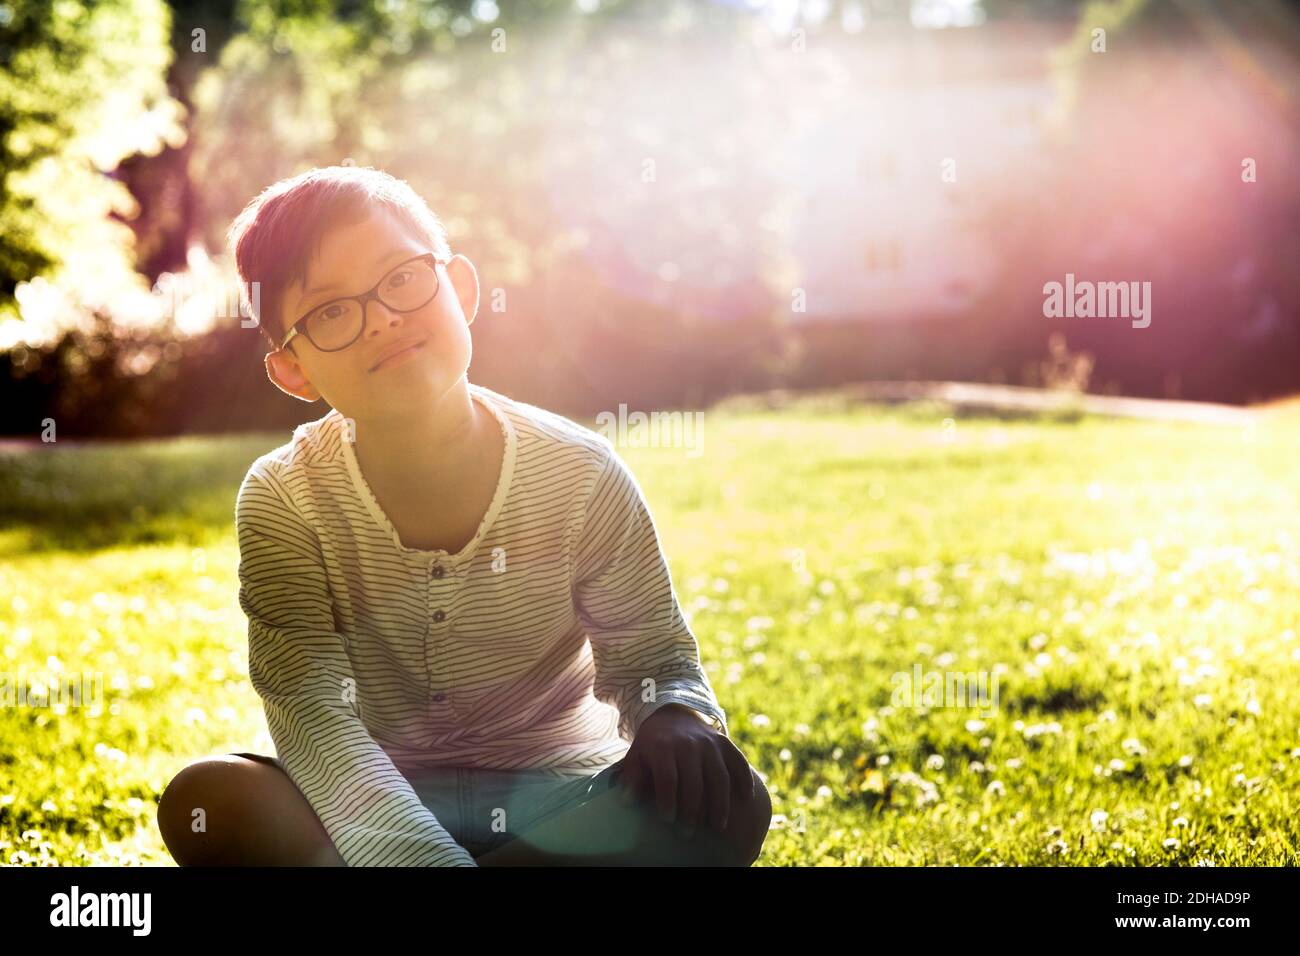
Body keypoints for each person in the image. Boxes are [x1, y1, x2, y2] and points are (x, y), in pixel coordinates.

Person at [156, 166, 770, 866]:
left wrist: (672, 714)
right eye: (330, 311)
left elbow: (653, 659)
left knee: (730, 796)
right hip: (372, 806)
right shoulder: (284, 499)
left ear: (463, 290)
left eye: (403, 277)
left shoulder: (582, 472)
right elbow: (312, 712)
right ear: (293, 371)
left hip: (564, 802)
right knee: (206, 799)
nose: (383, 316)